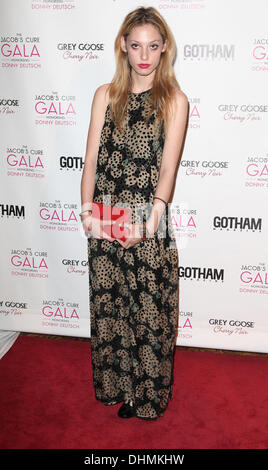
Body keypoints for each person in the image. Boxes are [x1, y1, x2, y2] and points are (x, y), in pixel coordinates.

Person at [80, 6, 188, 421]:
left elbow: (167, 170)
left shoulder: (175, 101)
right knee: (111, 309)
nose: (145, 55)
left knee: (147, 314)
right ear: (123, 47)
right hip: (104, 218)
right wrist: (87, 213)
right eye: (136, 45)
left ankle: (146, 397)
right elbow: (90, 159)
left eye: (154, 46)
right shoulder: (105, 95)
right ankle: (115, 388)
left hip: (147, 218)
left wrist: (150, 223)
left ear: (164, 50)